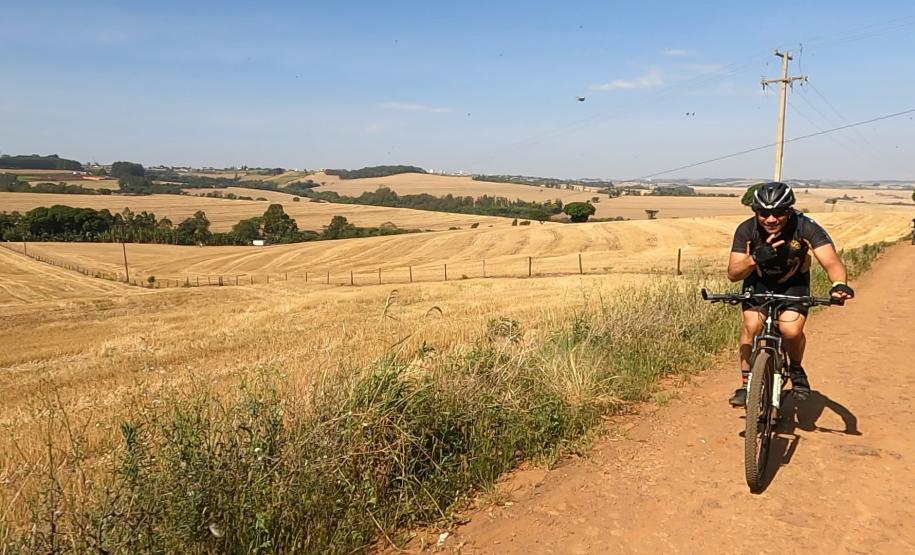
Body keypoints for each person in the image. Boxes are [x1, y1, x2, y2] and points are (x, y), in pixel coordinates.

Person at [727, 182, 854, 407]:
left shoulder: (805, 227)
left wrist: (838, 284)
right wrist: (754, 258)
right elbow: (733, 274)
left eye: (778, 212)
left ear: (789, 210)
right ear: (756, 211)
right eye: (764, 213)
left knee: (790, 329)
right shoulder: (746, 230)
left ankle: (795, 369)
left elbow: (831, 262)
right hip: (758, 281)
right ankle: (747, 385)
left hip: (793, 283)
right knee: (751, 326)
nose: (771, 219)